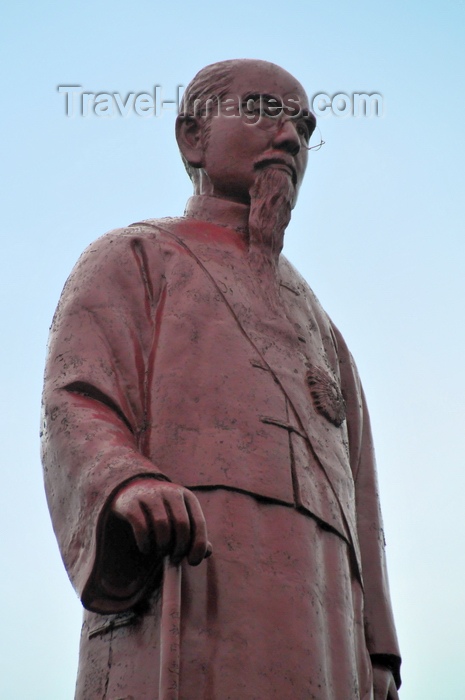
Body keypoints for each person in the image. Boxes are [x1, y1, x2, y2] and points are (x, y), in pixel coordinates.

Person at [42, 59, 401, 699]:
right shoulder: (136, 255)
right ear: (192, 136)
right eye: (264, 110)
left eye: (303, 124)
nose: (290, 136)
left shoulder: (323, 327)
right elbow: (77, 397)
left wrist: (377, 649)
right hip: (188, 562)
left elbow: (363, 501)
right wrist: (127, 480)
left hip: (323, 613)